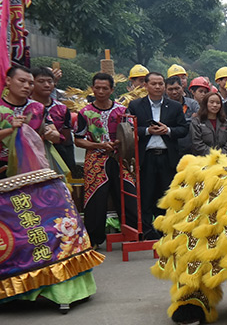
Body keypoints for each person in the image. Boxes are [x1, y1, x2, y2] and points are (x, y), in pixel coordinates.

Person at [72, 72, 138, 247]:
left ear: (112, 89)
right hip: (95, 159)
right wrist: (97, 146)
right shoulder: (85, 113)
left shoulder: (122, 111)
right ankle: (94, 239)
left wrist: (119, 143)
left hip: (120, 157)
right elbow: (78, 140)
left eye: (105, 88)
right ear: (92, 89)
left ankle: (132, 234)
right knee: (95, 198)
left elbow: (131, 134)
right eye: (97, 88)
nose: (100, 91)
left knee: (128, 194)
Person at [126, 71, 188, 238]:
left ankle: (165, 230)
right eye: (154, 84)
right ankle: (147, 231)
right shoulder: (136, 105)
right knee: (146, 195)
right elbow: (128, 129)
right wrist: (147, 131)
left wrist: (167, 130)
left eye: (161, 83)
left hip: (167, 157)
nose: (158, 87)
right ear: (145, 85)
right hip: (146, 157)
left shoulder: (174, 106)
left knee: (166, 195)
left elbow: (183, 129)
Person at [0, 65, 60, 176]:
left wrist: (50, 134)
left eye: (31, 83)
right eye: (22, 81)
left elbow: (57, 136)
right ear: (8, 81)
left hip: (32, 166)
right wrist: (11, 130)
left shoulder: (38, 108)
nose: (27, 86)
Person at [30, 66, 74, 172]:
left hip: (57, 154)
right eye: (41, 81)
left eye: (50, 81)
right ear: (31, 83)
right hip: (30, 155)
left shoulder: (62, 109)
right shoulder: (26, 106)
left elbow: (66, 137)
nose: (46, 85)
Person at [189, 91, 227, 157]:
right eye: (212, 102)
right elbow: (197, 143)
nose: (215, 105)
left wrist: (222, 155)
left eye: (218, 103)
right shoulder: (196, 122)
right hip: (202, 160)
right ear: (205, 104)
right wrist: (214, 155)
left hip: (223, 160)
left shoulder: (226, 123)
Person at [167, 75, 199, 154]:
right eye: (170, 89)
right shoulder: (163, 106)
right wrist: (190, 120)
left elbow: (199, 121)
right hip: (171, 147)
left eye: (177, 88)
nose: (174, 92)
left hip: (191, 147)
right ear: (165, 90)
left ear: (182, 88)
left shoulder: (193, 104)